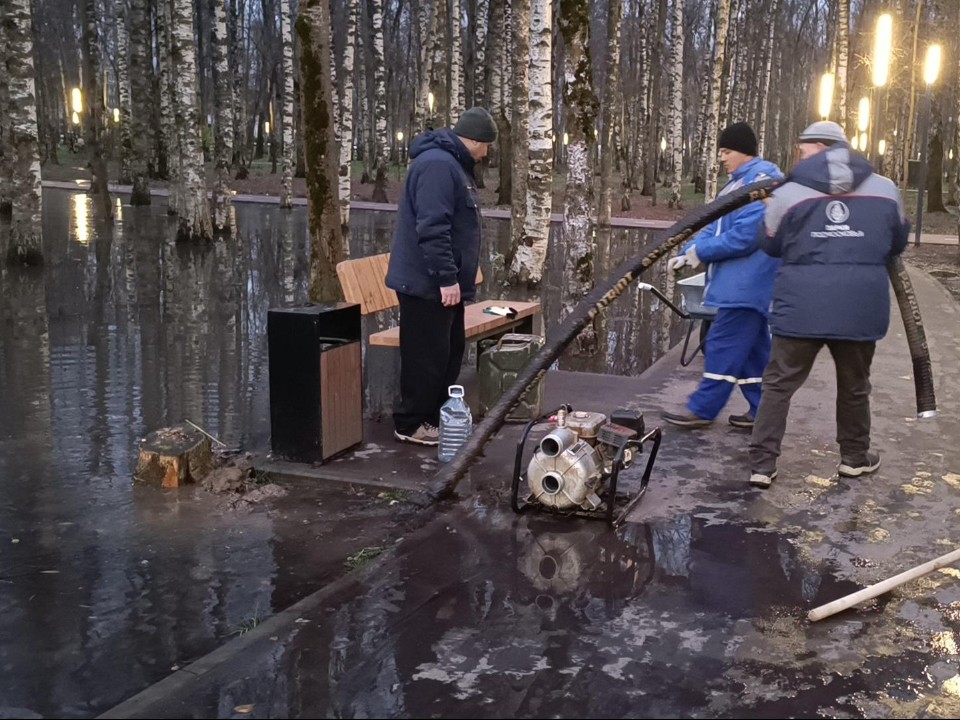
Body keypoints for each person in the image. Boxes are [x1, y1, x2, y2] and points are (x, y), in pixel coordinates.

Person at [747, 121, 910, 488]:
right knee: (854, 384)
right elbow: (898, 241)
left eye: (802, 148)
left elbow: (770, 243)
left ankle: (762, 465)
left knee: (778, 385)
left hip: (799, 307)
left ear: (820, 147)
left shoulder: (787, 193)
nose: (799, 155)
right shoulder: (886, 190)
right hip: (859, 307)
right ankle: (854, 458)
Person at [385, 107, 498, 446]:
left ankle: (435, 417)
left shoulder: (453, 165)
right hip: (427, 284)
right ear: (475, 140)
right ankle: (410, 423)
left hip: (442, 283)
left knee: (447, 352)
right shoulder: (438, 166)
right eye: (486, 145)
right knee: (426, 356)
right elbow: (433, 228)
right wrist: (446, 278)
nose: (487, 152)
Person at [661, 122, 783, 431]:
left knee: (721, 345)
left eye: (727, 151)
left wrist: (699, 254)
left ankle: (702, 408)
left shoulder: (761, 185)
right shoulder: (739, 184)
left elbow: (746, 236)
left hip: (748, 282)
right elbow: (715, 227)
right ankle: (763, 410)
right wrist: (688, 250)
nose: (721, 157)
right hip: (746, 284)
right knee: (754, 354)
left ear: (743, 152)